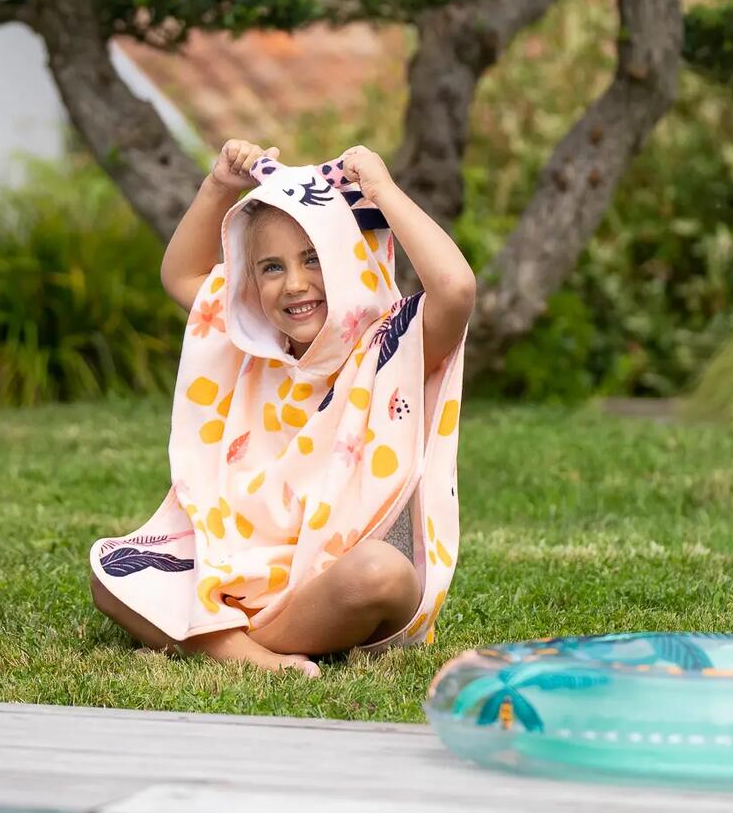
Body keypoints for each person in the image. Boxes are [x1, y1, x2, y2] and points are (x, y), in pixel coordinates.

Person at [88, 141, 472, 676]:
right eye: (271, 268)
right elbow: (180, 276)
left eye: (314, 259)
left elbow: (455, 288)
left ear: (350, 260)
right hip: (238, 571)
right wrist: (219, 184)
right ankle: (249, 654)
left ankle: (220, 639)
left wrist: (383, 191)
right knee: (112, 575)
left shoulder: (390, 346)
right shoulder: (250, 341)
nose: (294, 284)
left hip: (332, 585)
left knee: (383, 574)